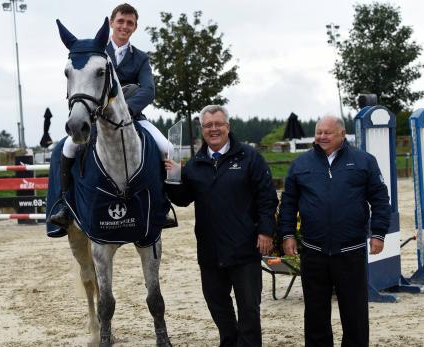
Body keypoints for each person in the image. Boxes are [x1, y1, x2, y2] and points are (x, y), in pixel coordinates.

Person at [164, 105, 278, 346]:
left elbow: (267, 197)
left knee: (248, 307)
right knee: (217, 304)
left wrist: (266, 231)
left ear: (228, 126)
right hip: (210, 251)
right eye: (208, 126)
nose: (213, 129)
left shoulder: (250, 157)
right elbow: (183, 199)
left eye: (218, 124)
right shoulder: (195, 165)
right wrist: (174, 177)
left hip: (245, 248)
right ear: (202, 130)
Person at [51, 3, 171, 228]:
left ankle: (162, 204)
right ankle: (65, 205)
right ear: (111, 24)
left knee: (167, 148)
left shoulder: (141, 58)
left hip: (133, 117)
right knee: (65, 148)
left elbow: (148, 90)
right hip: (96, 118)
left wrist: (129, 111)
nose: (125, 26)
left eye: (130, 23)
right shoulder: (96, 52)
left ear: (135, 27)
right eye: (121, 21)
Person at [278, 115, 391, 347]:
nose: (322, 136)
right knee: (315, 313)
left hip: (351, 250)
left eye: (327, 132)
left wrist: (378, 233)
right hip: (314, 251)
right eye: (319, 131)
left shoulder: (364, 161)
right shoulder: (301, 164)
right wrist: (287, 234)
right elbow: (288, 202)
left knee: (355, 313)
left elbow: (380, 199)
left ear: (342, 134)